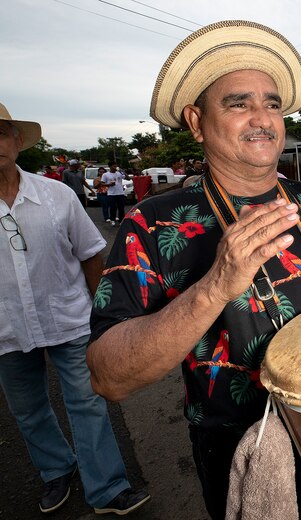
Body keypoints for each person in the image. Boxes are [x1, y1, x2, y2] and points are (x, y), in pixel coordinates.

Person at [86, 21, 301, 520]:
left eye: (272, 104)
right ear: (197, 122)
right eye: (239, 103)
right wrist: (215, 287)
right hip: (238, 442)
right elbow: (109, 376)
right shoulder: (152, 223)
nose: (262, 118)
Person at [0, 102, 150, 515]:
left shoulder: (56, 195)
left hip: (69, 319)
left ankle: (107, 488)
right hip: (6, 329)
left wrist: (105, 320)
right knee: (28, 410)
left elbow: (90, 256)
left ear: (16, 140)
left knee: (88, 402)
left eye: (0, 132)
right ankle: (55, 471)